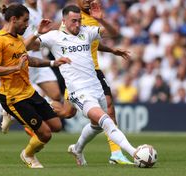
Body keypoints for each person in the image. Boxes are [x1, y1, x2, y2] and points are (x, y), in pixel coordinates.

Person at [26, 4, 137, 166]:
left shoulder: (87, 31)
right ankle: (135, 153)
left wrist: (101, 20)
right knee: (106, 121)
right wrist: (36, 33)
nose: (77, 24)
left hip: (96, 87)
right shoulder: (53, 37)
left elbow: (114, 34)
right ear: (64, 20)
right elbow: (26, 46)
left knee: (96, 126)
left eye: (79, 21)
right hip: (78, 91)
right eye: (73, 21)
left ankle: (77, 149)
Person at [0, 3, 70, 168]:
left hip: (28, 92)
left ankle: (12, 116)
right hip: (13, 97)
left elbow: (30, 61)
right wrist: (16, 68)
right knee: (46, 134)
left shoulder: (18, 40)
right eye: (25, 21)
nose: (26, 25)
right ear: (13, 19)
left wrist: (53, 62)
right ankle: (28, 155)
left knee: (57, 126)